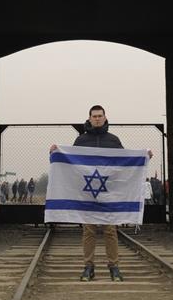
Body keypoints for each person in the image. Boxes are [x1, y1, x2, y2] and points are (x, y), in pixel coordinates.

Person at [50, 104, 125, 283]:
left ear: (105, 118)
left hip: (108, 193)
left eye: (100, 116)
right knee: (88, 231)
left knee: (110, 230)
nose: (97, 119)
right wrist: (57, 152)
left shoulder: (114, 141)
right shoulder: (81, 141)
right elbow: (71, 164)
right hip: (87, 193)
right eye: (94, 116)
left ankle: (114, 267)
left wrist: (144, 157)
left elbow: (125, 162)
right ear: (89, 118)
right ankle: (88, 267)